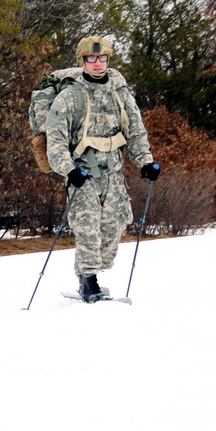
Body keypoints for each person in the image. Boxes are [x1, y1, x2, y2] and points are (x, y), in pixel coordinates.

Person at [45, 36, 159, 302]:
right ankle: (88, 281)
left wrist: (145, 161)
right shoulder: (70, 96)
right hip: (83, 175)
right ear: (83, 61)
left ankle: (95, 272)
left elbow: (135, 132)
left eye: (102, 58)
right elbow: (56, 141)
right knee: (88, 228)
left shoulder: (120, 94)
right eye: (91, 59)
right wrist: (69, 170)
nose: (97, 64)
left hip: (113, 174)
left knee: (115, 225)